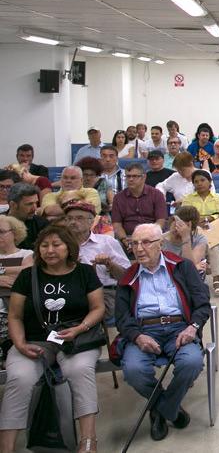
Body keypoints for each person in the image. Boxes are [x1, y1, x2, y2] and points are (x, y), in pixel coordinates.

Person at [0, 224, 105, 453]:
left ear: (69, 247)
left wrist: (79, 328)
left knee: (80, 371)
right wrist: (19, 344)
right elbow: (15, 316)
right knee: (19, 377)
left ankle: (88, 441)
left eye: (56, 244)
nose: (50, 250)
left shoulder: (84, 273)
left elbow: (98, 308)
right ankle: (6, 447)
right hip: (33, 340)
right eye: (44, 246)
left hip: (76, 340)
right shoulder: (28, 276)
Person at [116, 223, 211, 442]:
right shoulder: (128, 276)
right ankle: (171, 409)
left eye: (146, 242)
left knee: (192, 362)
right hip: (143, 330)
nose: (139, 248)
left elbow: (202, 303)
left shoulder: (182, 266)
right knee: (133, 369)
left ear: (161, 244)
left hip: (180, 328)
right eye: (134, 243)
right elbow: (122, 318)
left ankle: (160, 410)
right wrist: (137, 336)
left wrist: (193, 327)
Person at [63, 199, 130, 317]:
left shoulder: (106, 241)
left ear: (91, 221)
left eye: (79, 218)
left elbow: (126, 276)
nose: (73, 222)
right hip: (70, 295)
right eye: (69, 218)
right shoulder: (60, 245)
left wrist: (109, 263)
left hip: (106, 294)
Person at [165, 205, 219, 297]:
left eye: (184, 225)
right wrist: (195, 266)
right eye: (176, 224)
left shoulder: (199, 239)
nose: (177, 229)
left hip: (188, 284)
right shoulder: (160, 240)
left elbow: (188, 268)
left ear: (192, 228)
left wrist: (186, 238)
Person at [0, 216, 33, 359]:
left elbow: (27, 271)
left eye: (1, 231)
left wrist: (1, 271)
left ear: (14, 233)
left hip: (16, 307)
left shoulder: (26, 253)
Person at [111, 163, 169, 244]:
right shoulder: (118, 197)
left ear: (144, 177)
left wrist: (147, 237)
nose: (130, 179)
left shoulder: (157, 194)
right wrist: (124, 239)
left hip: (151, 237)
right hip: (128, 237)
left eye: (135, 176)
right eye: (128, 176)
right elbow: (117, 224)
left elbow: (161, 220)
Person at [5, 183, 47, 250]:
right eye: (29, 204)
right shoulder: (1, 224)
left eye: (36, 203)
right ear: (13, 205)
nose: (34, 208)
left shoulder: (41, 224)